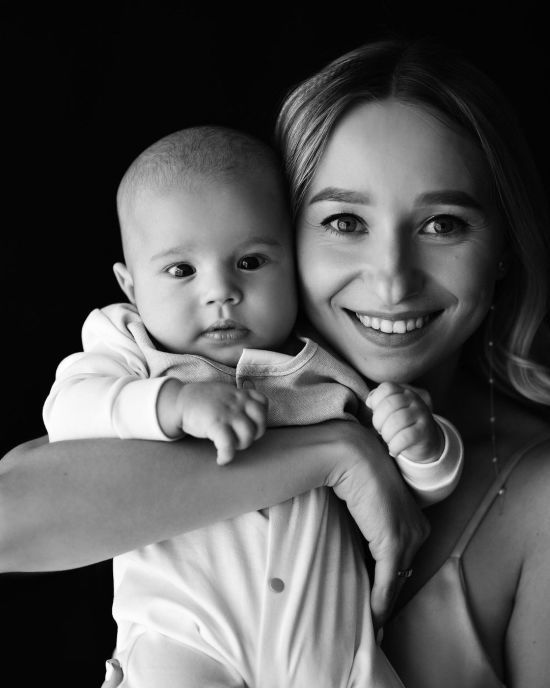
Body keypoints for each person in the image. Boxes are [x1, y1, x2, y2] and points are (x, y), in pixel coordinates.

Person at [1, 37, 549, 688]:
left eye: (443, 224)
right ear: (286, 228)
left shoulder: (534, 490)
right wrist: (335, 454)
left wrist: (390, 447)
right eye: (344, 221)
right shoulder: (166, 364)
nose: (392, 280)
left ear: (504, 247)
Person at [41, 125, 463, 688]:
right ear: (132, 286)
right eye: (181, 270)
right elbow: (66, 413)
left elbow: (410, 492)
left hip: (330, 651)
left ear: (292, 261)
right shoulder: (130, 349)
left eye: (251, 261)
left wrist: (425, 446)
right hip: (184, 641)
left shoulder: (330, 361)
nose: (221, 291)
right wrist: (173, 403)